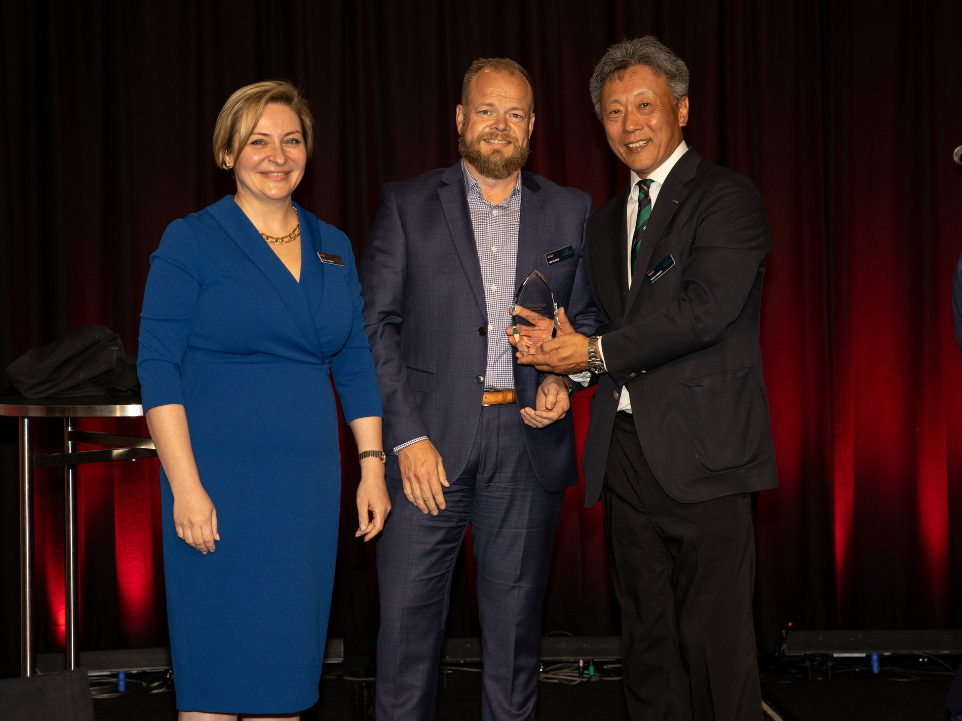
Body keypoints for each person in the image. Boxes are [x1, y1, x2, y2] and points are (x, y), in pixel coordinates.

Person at [518, 37, 778, 721]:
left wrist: (591, 354)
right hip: (625, 455)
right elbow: (600, 323)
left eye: (644, 105)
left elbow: (703, 311)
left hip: (709, 455)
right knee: (648, 643)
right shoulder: (604, 223)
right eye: (613, 111)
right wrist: (562, 371)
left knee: (718, 644)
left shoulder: (727, 198)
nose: (630, 124)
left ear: (682, 109)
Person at [137, 80, 390, 720]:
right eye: (258, 141)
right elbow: (158, 370)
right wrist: (186, 489)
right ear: (228, 152)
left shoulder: (334, 245)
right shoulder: (190, 240)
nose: (277, 155)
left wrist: (372, 466)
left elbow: (355, 359)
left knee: (284, 685)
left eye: (292, 140)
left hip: (304, 492)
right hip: (215, 485)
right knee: (217, 689)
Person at [361, 58, 595, 720]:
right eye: (486, 110)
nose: (500, 125)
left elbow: (592, 321)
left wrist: (561, 375)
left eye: (515, 113)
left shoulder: (572, 211)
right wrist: (404, 437)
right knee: (405, 640)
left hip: (525, 444)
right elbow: (373, 324)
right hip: (424, 447)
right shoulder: (407, 203)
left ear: (533, 127)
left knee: (515, 643)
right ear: (460, 119)